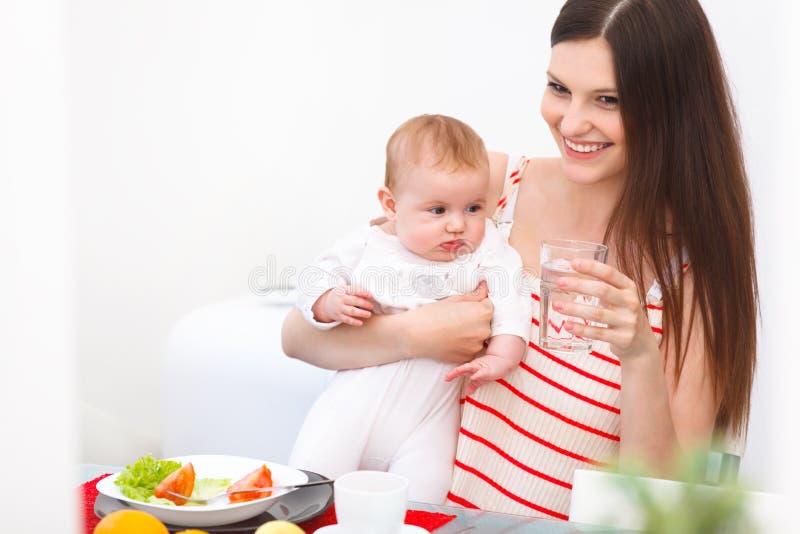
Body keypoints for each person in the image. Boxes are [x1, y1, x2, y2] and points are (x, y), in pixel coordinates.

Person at [282, 0, 758, 520]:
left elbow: (668, 508)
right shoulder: (485, 193)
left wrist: (640, 356)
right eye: (559, 88)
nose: (572, 122)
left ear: (670, 106)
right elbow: (299, 336)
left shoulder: (688, 276)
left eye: (608, 99)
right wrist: (416, 333)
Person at [289, 114, 530, 503]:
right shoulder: (369, 243)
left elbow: (511, 297)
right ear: (391, 205)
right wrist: (328, 302)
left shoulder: (486, 251)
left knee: (425, 498)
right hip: (353, 403)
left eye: (473, 208)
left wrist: (502, 353)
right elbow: (314, 276)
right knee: (313, 486)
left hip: (430, 415)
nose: (457, 225)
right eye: (438, 211)